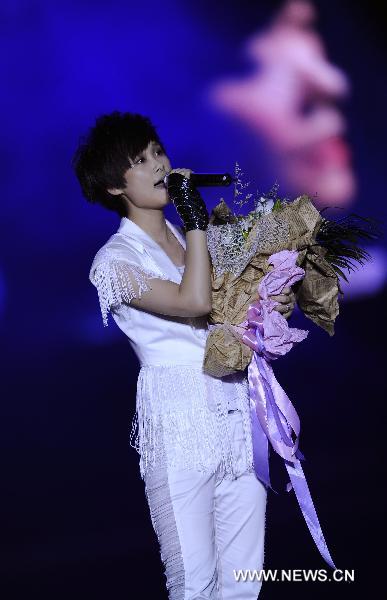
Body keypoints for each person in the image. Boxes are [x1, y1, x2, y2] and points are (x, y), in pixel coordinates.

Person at [72, 110, 295, 599]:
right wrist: (196, 221)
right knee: (194, 583)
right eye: (139, 160)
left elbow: (235, 310)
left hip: (238, 415)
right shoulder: (113, 262)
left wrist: (273, 298)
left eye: (157, 151)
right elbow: (193, 302)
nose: (158, 166)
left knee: (244, 580)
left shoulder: (202, 238)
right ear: (114, 187)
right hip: (178, 425)